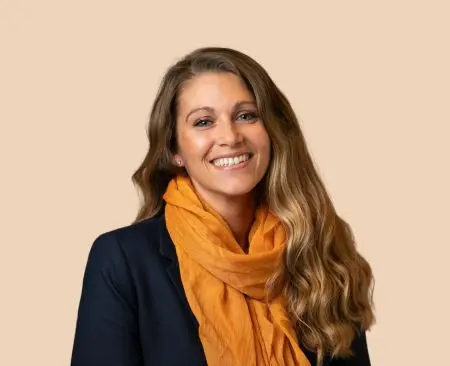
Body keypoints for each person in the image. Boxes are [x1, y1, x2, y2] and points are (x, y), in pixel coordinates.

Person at [71, 47, 375, 366]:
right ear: (174, 148)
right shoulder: (123, 260)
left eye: (246, 115)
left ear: (271, 131)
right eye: (204, 121)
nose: (229, 136)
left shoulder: (321, 249)